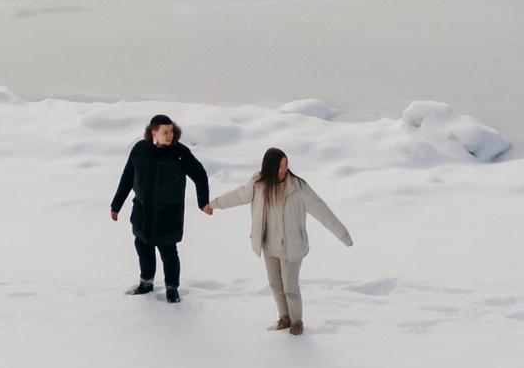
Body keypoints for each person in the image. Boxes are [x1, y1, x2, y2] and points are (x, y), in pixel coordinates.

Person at [214, 146, 351, 335]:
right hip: (269, 245)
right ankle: (284, 318)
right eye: (280, 167)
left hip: (291, 247)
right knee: (276, 285)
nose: (284, 170)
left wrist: (343, 236)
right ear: (269, 168)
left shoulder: (297, 188)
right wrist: (213, 204)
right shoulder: (257, 184)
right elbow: (237, 196)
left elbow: (322, 211)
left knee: (290, 288)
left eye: (286, 165)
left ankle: (297, 323)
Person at [109, 114, 212, 302]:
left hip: (168, 215)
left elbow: (200, 175)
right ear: (154, 132)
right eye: (166, 132)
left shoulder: (180, 153)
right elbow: (127, 178)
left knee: (169, 253)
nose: (170, 135)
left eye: (172, 131)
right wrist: (116, 204)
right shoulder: (140, 149)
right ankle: (146, 283)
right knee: (142, 247)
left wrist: (203, 202)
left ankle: (172, 290)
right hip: (143, 213)